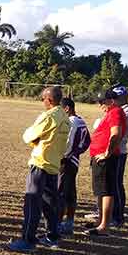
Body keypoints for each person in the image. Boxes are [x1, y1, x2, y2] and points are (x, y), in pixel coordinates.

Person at [8, 87, 71, 252]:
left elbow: (28, 135)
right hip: (54, 164)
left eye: (43, 99)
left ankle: (27, 240)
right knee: (50, 203)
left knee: (32, 202)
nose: (42, 102)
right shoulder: (65, 117)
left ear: (49, 100)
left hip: (40, 163)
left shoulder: (48, 116)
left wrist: (33, 138)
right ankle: (53, 235)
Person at [84, 89, 126, 236]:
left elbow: (116, 134)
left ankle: (104, 226)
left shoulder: (115, 112)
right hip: (99, 157)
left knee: (107, 191)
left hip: (106, 159)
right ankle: (101, 221)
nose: (100, 105)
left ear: (112, 101)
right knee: (101, 190)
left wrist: (107, 153)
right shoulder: (110, 113)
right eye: (99, 102)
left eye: (102, 102)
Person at [57, 98, 91, 235]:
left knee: (61, 192)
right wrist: (78, 152)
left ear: (66, 109)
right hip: (74, 161)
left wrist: (64, 156)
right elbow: (87, 141)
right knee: (70, 192)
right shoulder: (80, 120)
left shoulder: (71, 122)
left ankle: (57, 224)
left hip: (67, 162)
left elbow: (68, 143)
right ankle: (69, 222)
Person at [111, 85, 128, 227]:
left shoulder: (127, 112)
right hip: (114, 149)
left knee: (116, 184)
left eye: (116, 98)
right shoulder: (119, 110)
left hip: (119, 150)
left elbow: (117, 131)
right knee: (110, 184)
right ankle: (106, 211)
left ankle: (118, 216)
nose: (113, 101)